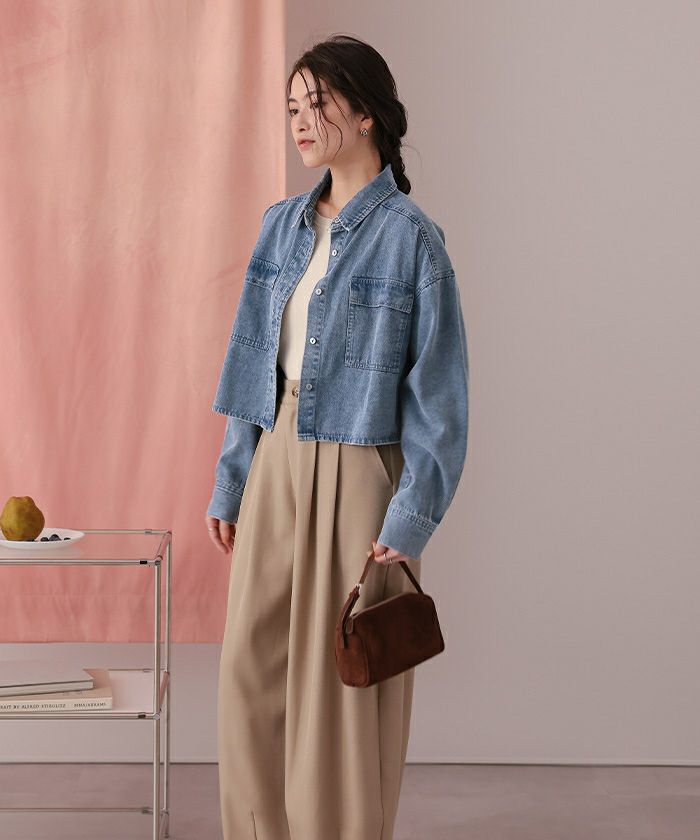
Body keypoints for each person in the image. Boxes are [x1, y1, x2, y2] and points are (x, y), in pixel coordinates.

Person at [204, 34, 469, 840]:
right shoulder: (280, 226)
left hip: (363, 474)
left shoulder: (413, 239)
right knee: (249, 672)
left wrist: (410, 517)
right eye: (292, 106)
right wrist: (232, 478)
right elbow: (251, 360)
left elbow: (440, 400)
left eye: (316, 102)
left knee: (342, 691)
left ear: (365, 113)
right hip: (277, 457)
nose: (300, 120)